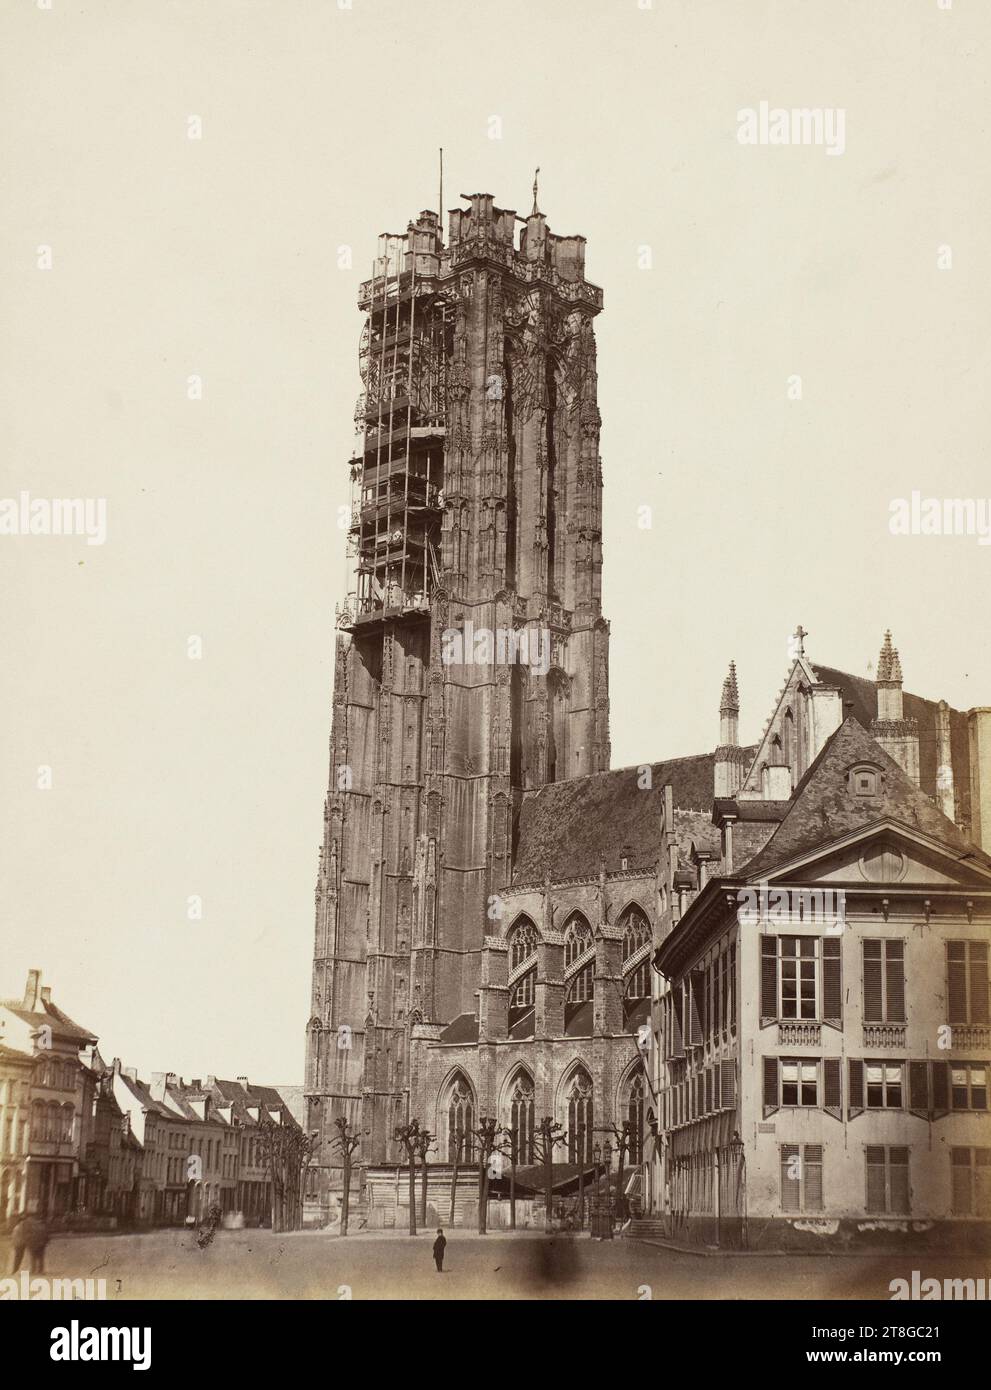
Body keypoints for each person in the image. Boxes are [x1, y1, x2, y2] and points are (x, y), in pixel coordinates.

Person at [10, 1207, 49, 1275]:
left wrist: (28, 1241)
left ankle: (32, 1270)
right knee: (40, 1256)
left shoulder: (24, 1224)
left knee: (32, 1256)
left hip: (28, 1241)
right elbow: (45, 1232)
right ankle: (40, 1270)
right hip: (40, 1241)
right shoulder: (38, 1223)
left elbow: (25, 1234)